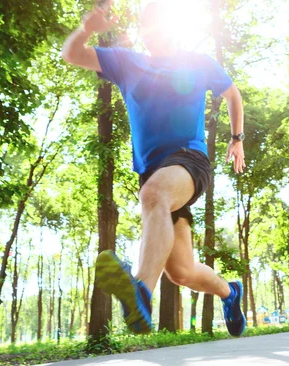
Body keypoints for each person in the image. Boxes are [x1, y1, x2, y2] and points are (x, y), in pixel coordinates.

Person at [61, 0, 246, 336]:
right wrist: (87, 29)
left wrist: (237, 138)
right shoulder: (125, 61)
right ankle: (229, 292)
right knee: (182, 272)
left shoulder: (198, 63)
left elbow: (233, 95)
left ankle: (141, 293)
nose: (157, 31)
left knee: (154, 194)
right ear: (143, 32)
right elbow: (71, 54)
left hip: (189, 161)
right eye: (150, 25)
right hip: (155, 173)